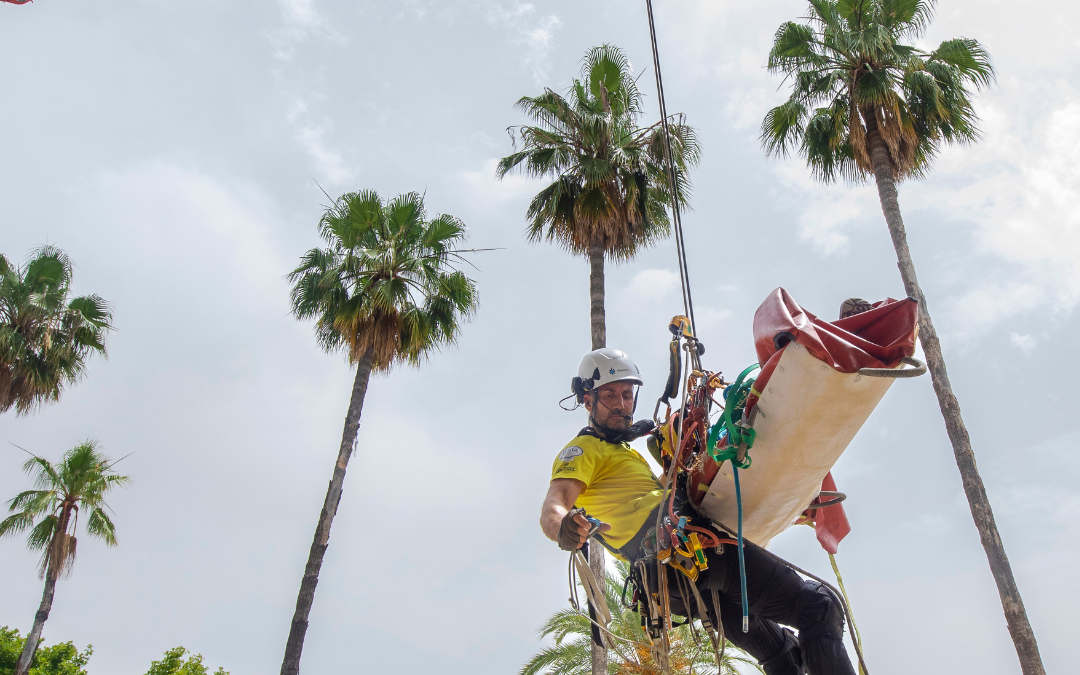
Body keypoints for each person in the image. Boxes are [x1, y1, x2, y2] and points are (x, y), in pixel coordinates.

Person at [540, 348, 857, 675]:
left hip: (678, 583)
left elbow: (657, 495)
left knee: (780, 651)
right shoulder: (583, 450)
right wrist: (564, 527)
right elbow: (554, 505)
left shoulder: (622, 453)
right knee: (818, 607)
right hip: (690, 549)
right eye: (609, 395)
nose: (621, 404)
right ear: (587, 400)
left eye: (627, 394)